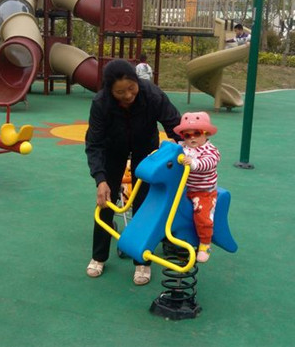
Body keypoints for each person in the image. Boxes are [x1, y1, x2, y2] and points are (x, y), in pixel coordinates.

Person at [85, 59, 182, 285]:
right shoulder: (101, 103)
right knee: (106, 201)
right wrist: (100, 179)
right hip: (112, 148)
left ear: (137, 81)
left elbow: (175, 125)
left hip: (146, 149)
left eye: (131, 88)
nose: (128, 95)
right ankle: (98, 256)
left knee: (144, 202)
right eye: (120, 92)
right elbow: (94, 143)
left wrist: (190, 149)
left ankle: (142, 261)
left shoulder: (152, 95)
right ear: (110, 90)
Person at [173, 112, 221, 263]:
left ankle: (205, 244)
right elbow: (170, 153)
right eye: (187, 135)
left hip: (203, 192)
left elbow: (208, 163)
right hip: (185, 189)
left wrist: (193, 163)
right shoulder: (182, 147)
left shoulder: (211, 151)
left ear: (206, 134)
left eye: (197, 133)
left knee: (202, 215)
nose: (192, 138)